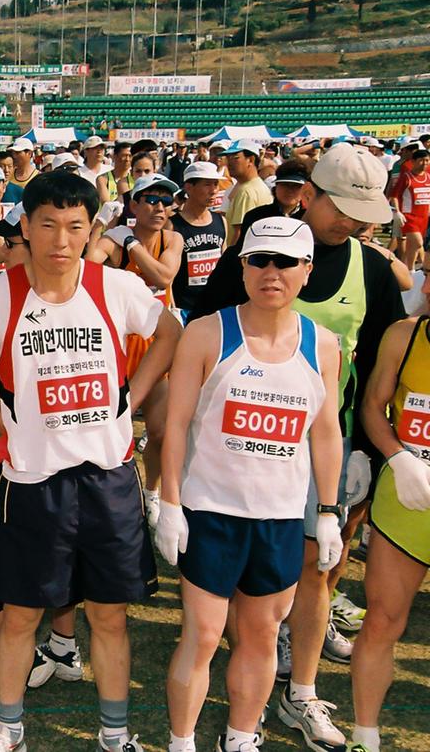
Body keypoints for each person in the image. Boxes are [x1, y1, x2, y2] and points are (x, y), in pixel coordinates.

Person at [0, 170, 181, 752]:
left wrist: (134, 397)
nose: (60, 240)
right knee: (19, 616)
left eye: (75, 226)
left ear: (91, 229)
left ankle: (116, 733)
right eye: (47, 224)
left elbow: (169, 332)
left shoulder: (117, 288)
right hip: (30, 481)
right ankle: (9, 728)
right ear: (26, 225)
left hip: (108, 479)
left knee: (109, 617)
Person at [191, 143, 405, 752]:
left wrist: (366, 448)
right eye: (344, 207)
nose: (354, 221)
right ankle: (250, 694)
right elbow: (203, 335)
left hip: (326, 448)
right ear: (308, 196)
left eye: (364, 211)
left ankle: (302, 690)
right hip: (242, 450)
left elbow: (379, 363)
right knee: (245, 590)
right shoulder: (256, 252)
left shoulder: (370, 267)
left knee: (320, 576)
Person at [156, 217, 343, 752]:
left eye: (286, 262)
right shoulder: (207, 332)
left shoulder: (322, 344)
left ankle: (240, 737)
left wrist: (328, 511)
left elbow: (325, 433)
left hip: (280, 517)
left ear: (306, 271)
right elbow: (175, 426)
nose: (272, 273)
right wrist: (169, 501)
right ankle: (182, 741)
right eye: (259, 260)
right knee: (204, 636)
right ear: (242, 267)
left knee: (262, 634)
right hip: (211, 510)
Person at [351, 279, 430, 752]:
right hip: (407, 499)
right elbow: (373, 408)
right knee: (382, 620)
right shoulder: (405, 335)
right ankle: (366, 737)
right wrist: (398, 458)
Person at [88, 173, 183, 527]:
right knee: (110, 428)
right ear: (134, 205)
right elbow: (88, 265)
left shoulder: (172, 239)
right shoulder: (115, 239)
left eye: (165, 200)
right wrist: (104, 228)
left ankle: (153, 491)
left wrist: (131, 244)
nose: (159, 207)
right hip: (119, 346)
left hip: (160, 343)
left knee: (158, 431)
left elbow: (164, 277)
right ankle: (106, 494)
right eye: (150, 200)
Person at [170, 162, 227, 322]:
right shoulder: (172, 225)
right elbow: (168, 275)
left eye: (216, 184)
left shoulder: (221, 221)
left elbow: (223, 267)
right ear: (189, 187)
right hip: (184, 309)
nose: (214, 190)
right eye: (207, 184)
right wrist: (173, 309)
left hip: (213, 308)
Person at [387, 145, 430, 270]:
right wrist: (397, 212)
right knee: (418, 243)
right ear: (413, 161)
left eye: (427, 160)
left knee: (413, 246)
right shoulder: (406, 177)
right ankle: (409, 268)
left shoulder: (428, 177)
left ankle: (409, 269)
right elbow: (395, 195)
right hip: (409, 217)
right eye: (421, 160)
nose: (424, 163)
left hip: (423, 217)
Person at [222, 141, 273, 245]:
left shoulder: (246, 191)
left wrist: (229, 258)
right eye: (228, 158)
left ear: (251, 160)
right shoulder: (258, 185)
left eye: (235, 158)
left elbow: (239, 232)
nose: (229, 162)